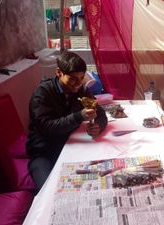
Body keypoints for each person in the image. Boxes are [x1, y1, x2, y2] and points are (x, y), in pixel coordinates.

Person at [26, 51, 108, 189]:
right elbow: (46, 127)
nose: (77, 83)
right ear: (59, 72)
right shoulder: (42, 93)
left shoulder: (81, 91)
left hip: (72, 146)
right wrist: (78, 117)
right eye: (73, 78)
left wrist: (98, 126)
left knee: (95, 180)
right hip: (45, 152)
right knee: (49, 190)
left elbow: (100, 112)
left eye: (81, 78)